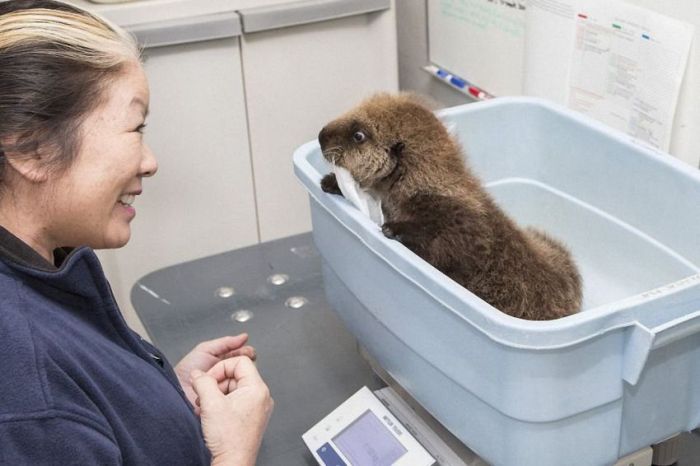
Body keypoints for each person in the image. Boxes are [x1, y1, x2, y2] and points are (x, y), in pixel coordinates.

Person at [0, 1, 273, 464]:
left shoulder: (39, 269)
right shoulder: (25, 398)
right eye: (135, 128)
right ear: (32, 150)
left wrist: (156, 397)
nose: (150, 161)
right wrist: (233, 453)